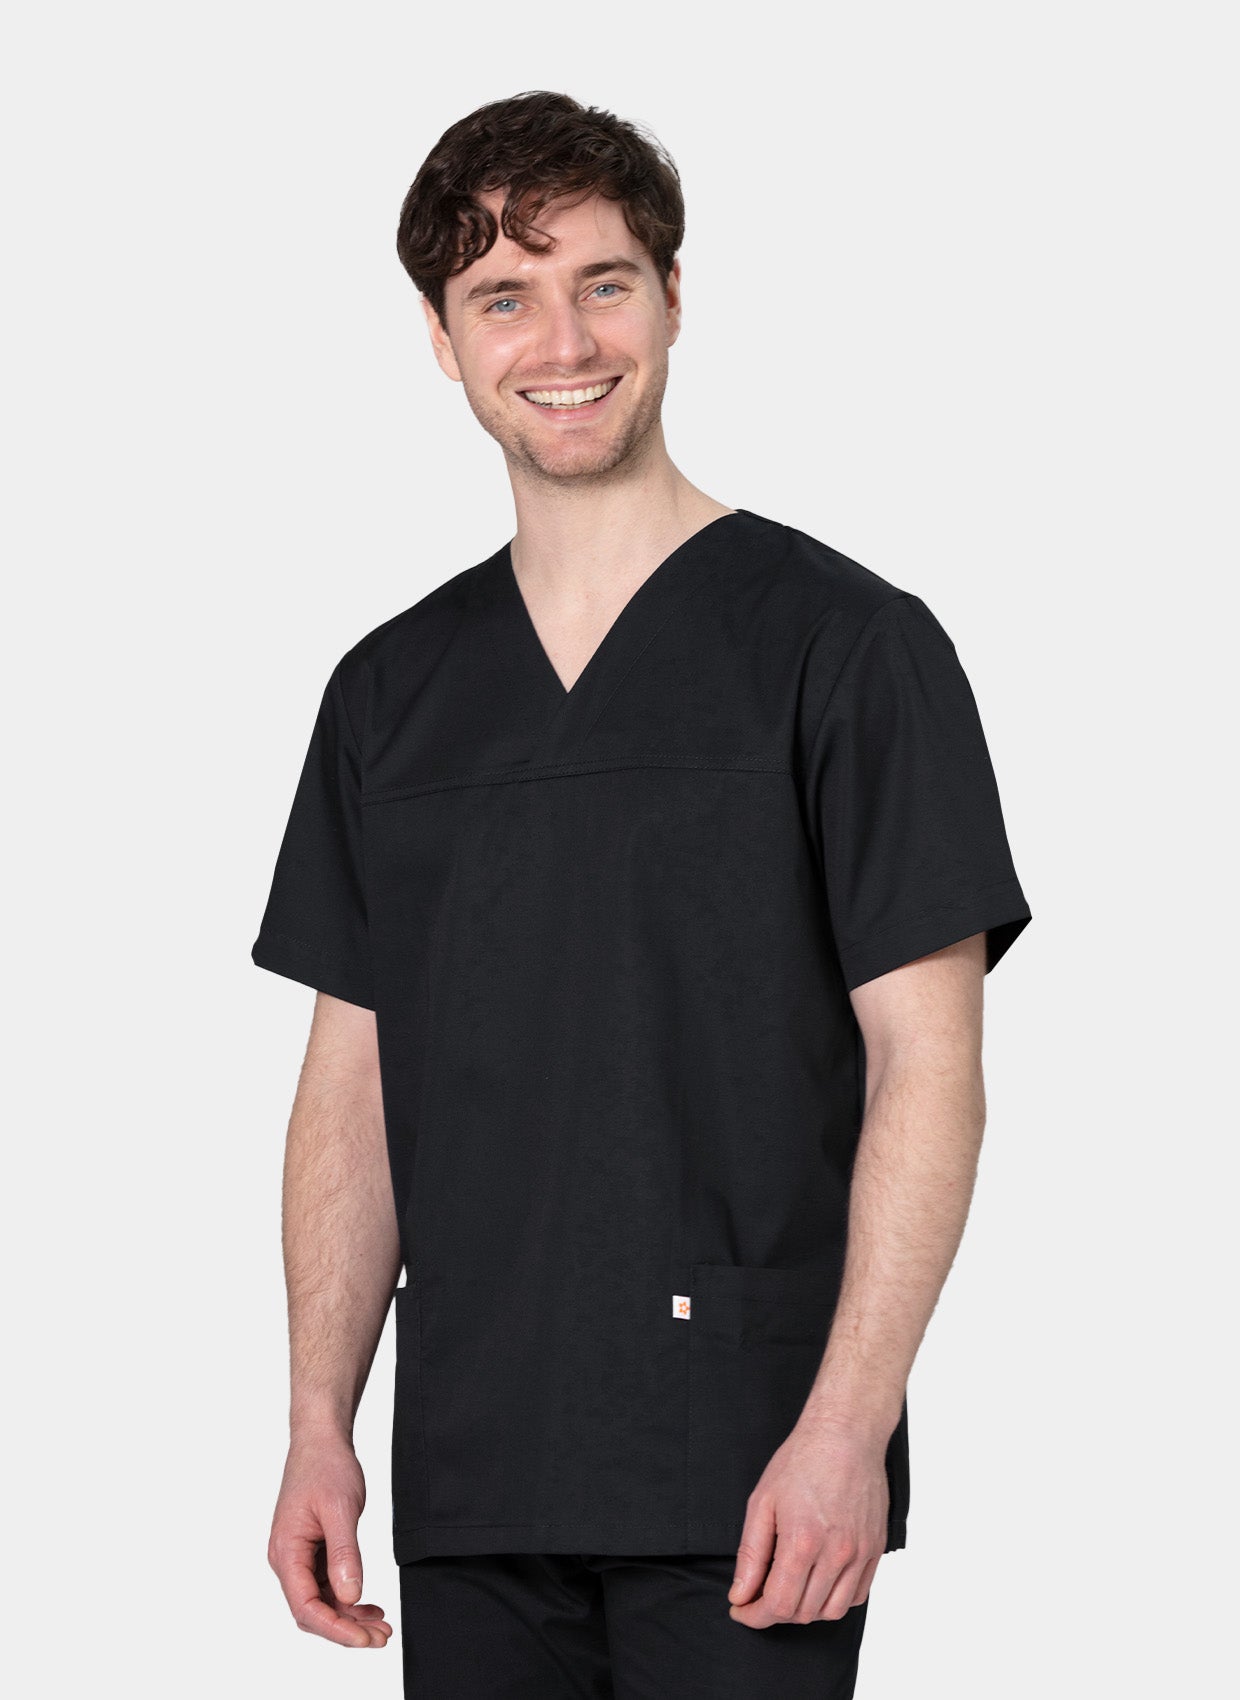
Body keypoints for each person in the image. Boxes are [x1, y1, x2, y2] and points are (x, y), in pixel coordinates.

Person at [251, 88, 1032, 1698]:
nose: (562, 341)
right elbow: (352, 1085)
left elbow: (930, 1065)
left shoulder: (846, 651)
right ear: (442, 339)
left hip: (747, 1464)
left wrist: (848, 1424)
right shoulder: (389, 695)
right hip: (475, 1466)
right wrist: (320, 1418)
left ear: (674, 297)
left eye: (603, 282)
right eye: (503, 297)